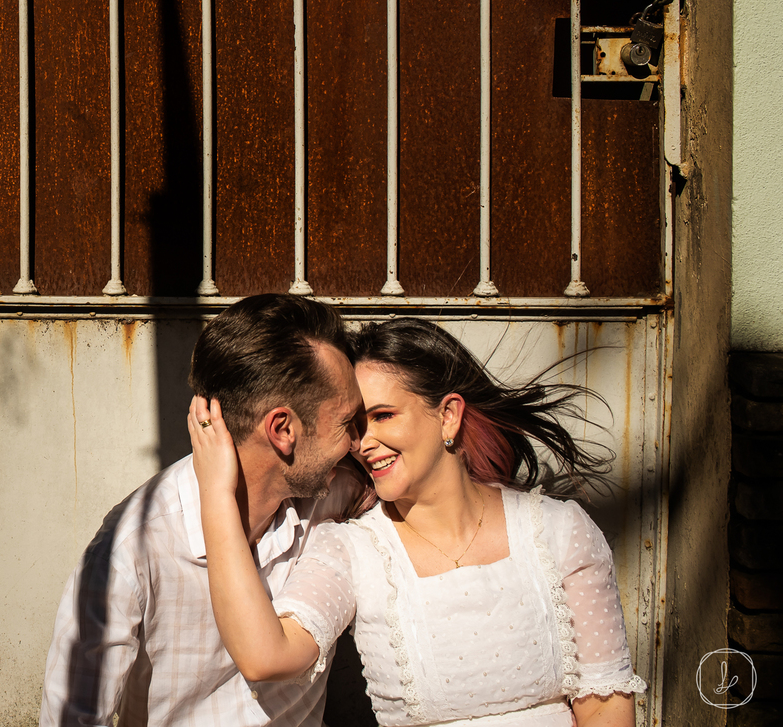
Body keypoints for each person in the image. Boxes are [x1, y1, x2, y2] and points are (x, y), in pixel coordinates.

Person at [190, 318, 646, 727]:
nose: (363, 443)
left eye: (383, 416)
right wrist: (216, 494)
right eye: (355, 424)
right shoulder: (352, 550)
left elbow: (605, 708)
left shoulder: (560, 531)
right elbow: (267, 657)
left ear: (448, 415)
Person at [40, 293, 370, 727]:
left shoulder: (339, 494)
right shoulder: (133, 548)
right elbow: (72, 717)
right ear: (282, 429)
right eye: (347, 423)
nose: (359, 442)